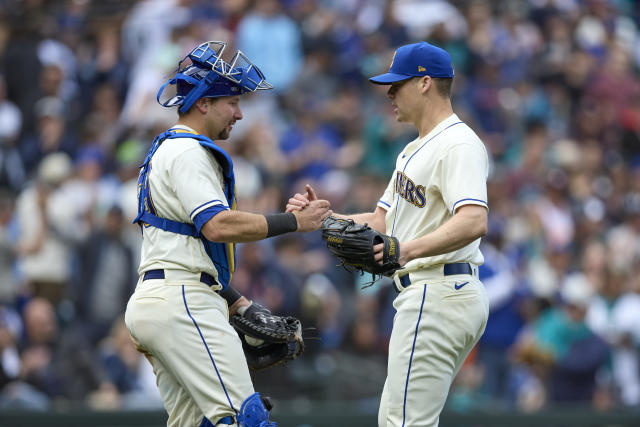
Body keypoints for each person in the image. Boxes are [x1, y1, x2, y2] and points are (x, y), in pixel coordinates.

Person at [124, 41, 331, 427]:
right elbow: (217, 226)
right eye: (232, 102)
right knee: (245, 418)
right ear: (203, 102)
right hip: (184, 302)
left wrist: (235, 301)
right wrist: (293, 223)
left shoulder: (167, 149)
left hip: (162, 297)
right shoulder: (188, 151)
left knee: (200, 423)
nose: (239, 113)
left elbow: (184, 243)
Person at [288, 42, 490, 426]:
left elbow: (473, 221)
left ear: (426, 83)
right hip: (432, 292)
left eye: (398, 84)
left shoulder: (458, 143)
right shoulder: (413, 149)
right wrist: (323, 219)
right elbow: (382, 222)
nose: (390, 93)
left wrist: (408, 250)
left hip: (437, 290)